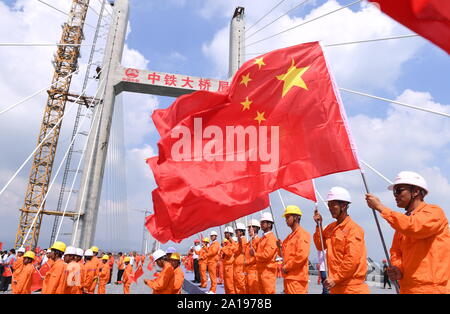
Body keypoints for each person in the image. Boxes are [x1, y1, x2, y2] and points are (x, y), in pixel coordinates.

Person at [365, 171, 450, 294]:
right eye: (394, 192)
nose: (395, 195)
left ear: (415, 191)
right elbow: (396, 252)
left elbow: (414, 227)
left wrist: (381, 208)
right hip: (407, 289)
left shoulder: (434, 212)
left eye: (399, 190)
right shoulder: (402, 222)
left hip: (432, 289)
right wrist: (398, 268)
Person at [313, 186, 370, 294]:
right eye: (329, 205)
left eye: (332, 205)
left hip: (352, 288)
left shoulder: (354, 229)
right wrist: (319, 226)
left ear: (343, 206)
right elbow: (320, 246)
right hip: (336, 287)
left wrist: (335, 278)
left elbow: (351, 260)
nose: (330, 208)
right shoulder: (331, 228)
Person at [277, 205, 310, 294]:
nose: (286, 220)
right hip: (289, 277)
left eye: (288, 217)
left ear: (296, 217)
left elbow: (301, 256)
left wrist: (287, 267)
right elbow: (282, 255)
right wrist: (279, 247)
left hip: (297, 280)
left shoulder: (302, 234)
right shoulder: (289, 237)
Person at [251, 212, 278, 294]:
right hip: (261, 271)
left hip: (268, 273)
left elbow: (267, 255)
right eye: (261, 222)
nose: (261, 224)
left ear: (269, 224)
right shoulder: (263, 238)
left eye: (263, 222)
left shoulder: (271, 238)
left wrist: (255, 254)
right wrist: (252, 237)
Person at [245, 219, 260, 294]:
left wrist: (246, 262)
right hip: (248, 270)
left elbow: (258, 257)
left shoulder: (258, 241)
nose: (248, 230)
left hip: (254, 271)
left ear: (255, 228)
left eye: (249, 228)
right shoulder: (250, 242)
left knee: (254, 291)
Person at [233, 223, 247, 294]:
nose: (236, 233)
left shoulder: (243, 240)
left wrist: (240, 241)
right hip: (237, 265)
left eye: (237, 231)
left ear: (241, 232)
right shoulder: (239, 241)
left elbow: (243, 250)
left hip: (240, 265)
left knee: (240, 284)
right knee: (237, 283)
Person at [221, 227, 235, 294]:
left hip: (229, 267)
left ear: (229, 234)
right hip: (226, 265)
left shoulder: (232, 243)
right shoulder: (227, 244)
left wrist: (223, 248)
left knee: (230, 286)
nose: (224, 234)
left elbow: (229, 254)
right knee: (226, 286)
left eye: (226, 233)